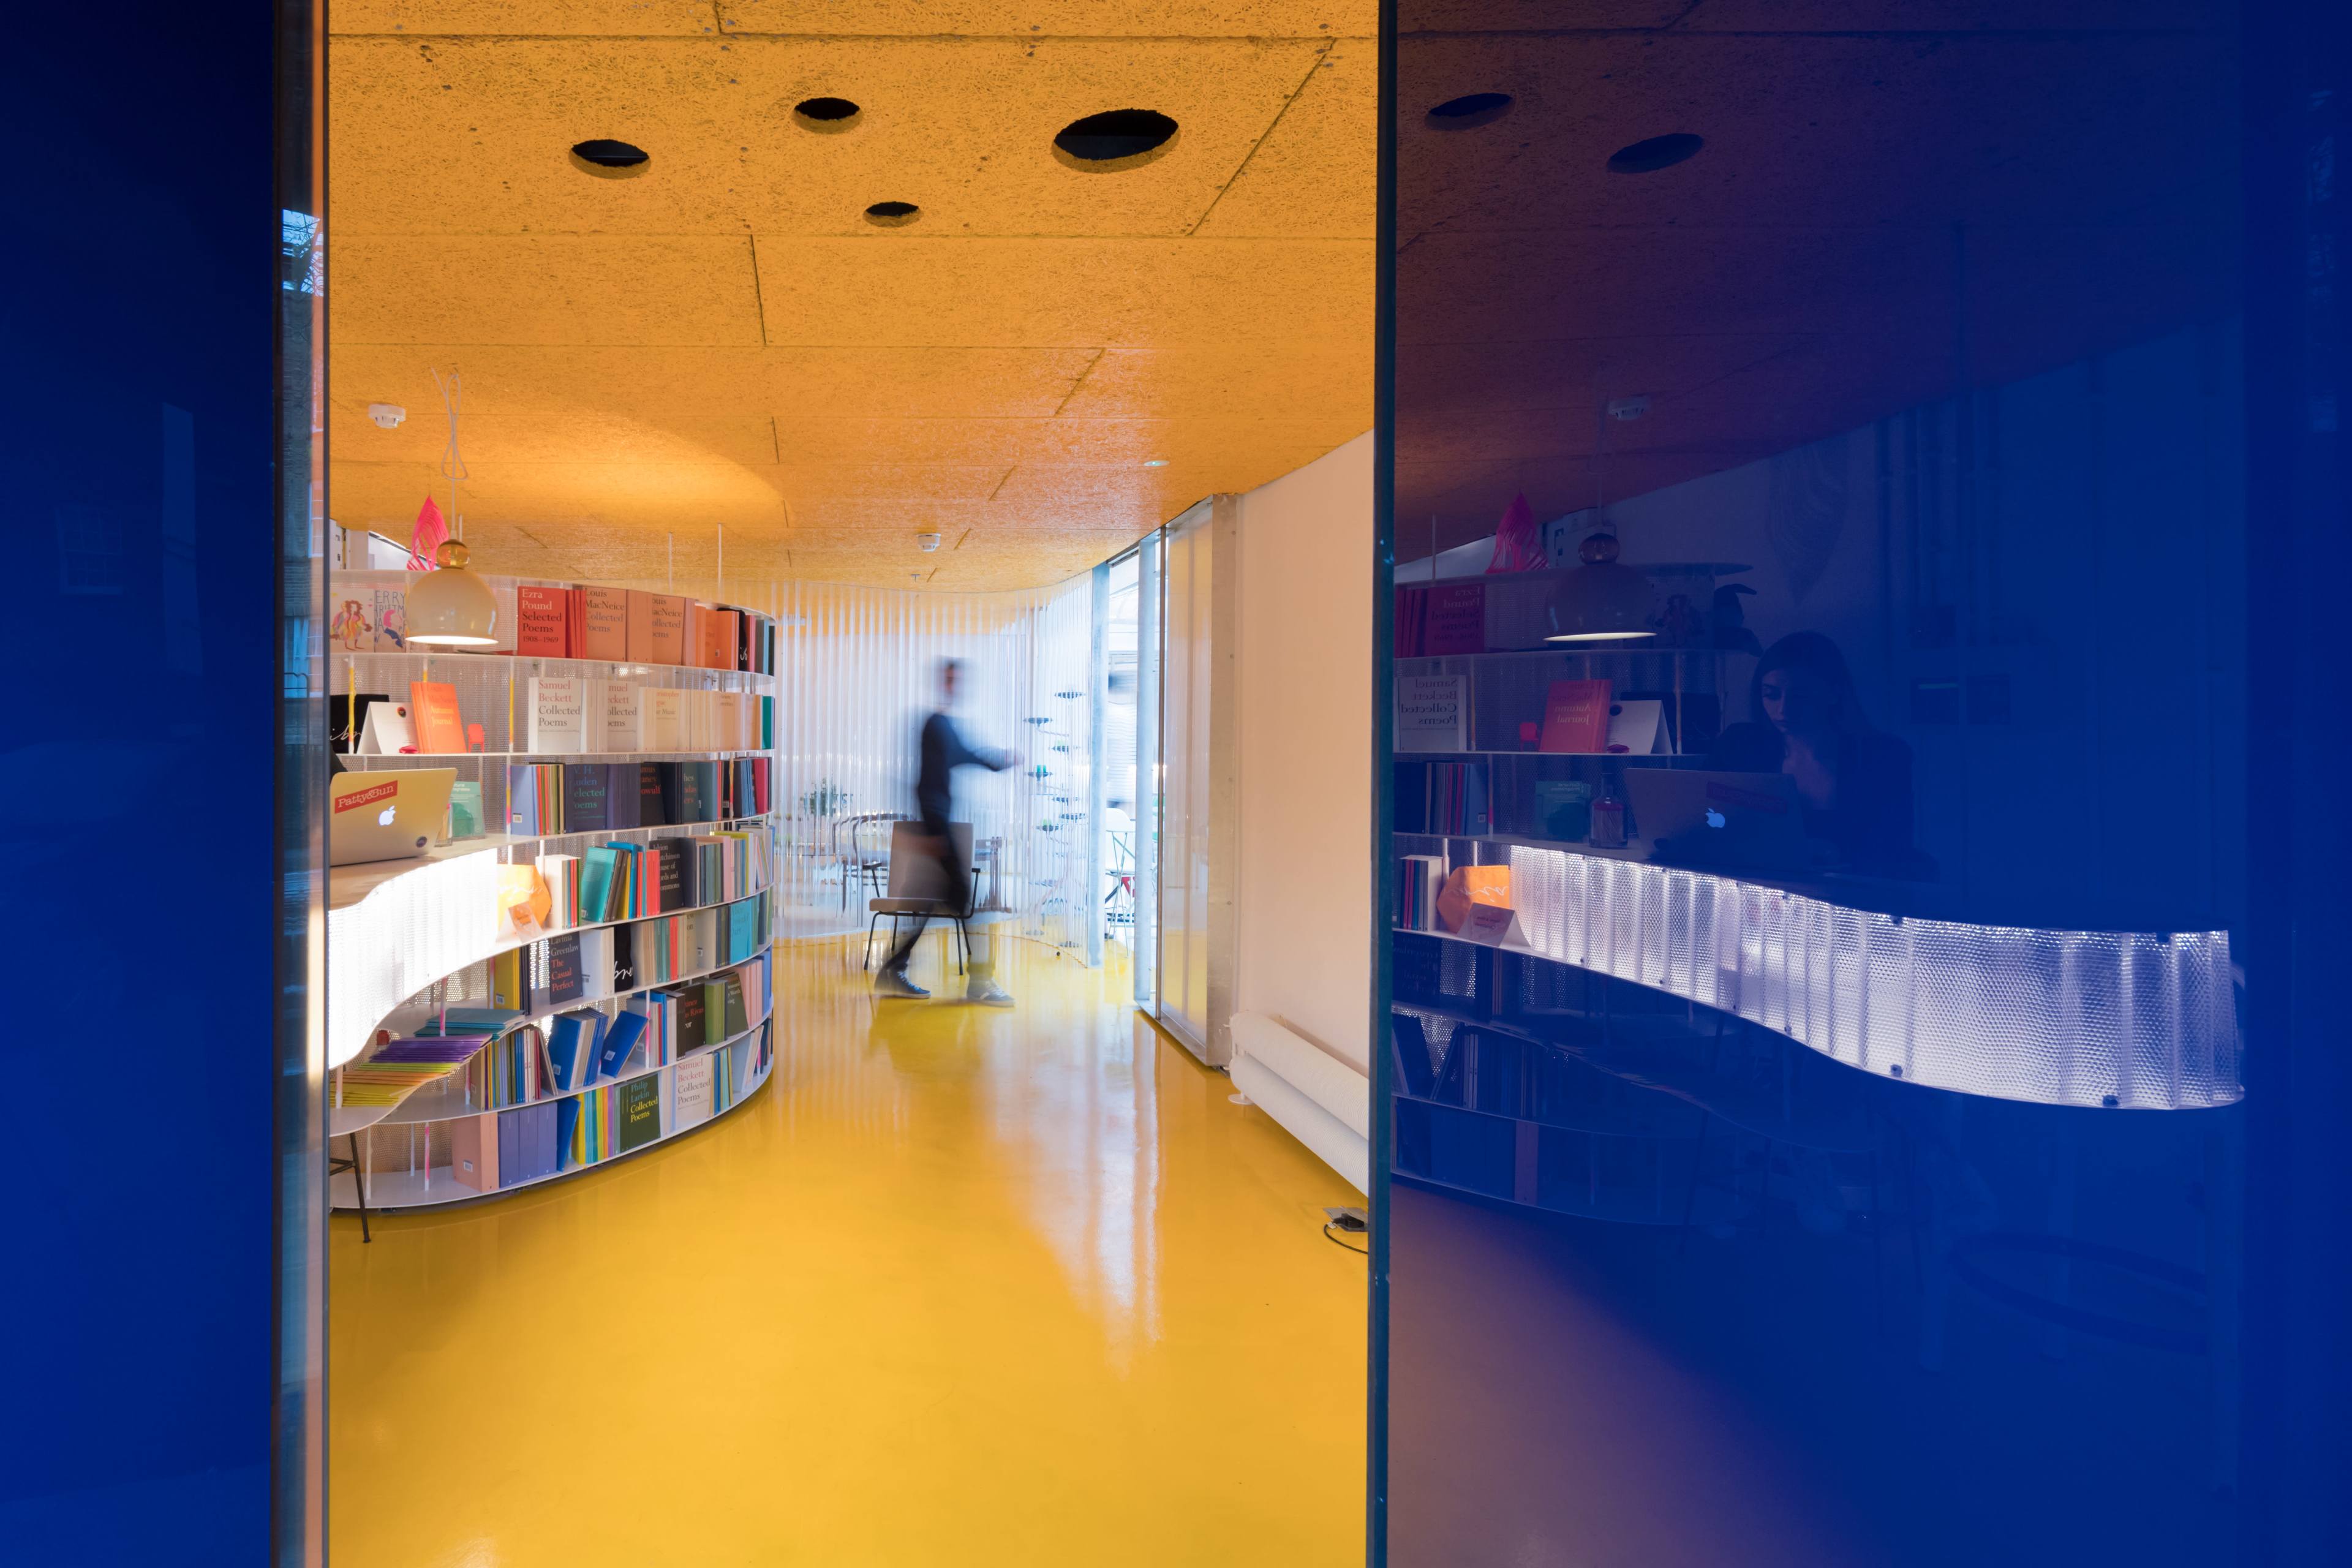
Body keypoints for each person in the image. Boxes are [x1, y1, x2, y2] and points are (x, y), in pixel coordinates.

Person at [1708, 631, 1928, 877]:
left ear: (1834, 694)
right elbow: (1703, 817)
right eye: (1771, 695)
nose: (1783, 709)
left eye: (1800, 697)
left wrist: (1831, 854)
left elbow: (1892, 849)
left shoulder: (1882, 758)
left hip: (1846, 897)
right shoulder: (1741, 746)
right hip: (1757, 888)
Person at [876, 658, 1020, 1003]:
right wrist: (935, 835)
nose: (956, 685)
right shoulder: (935, 725)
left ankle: (895, 970)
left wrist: (998, 762)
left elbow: (966, 755)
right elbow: (926, 785)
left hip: (938, 827)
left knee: (939, 901)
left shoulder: (944, 726)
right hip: (938, 827)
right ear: (943, 682)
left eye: (959, 679)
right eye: (951, 678)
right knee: (970, 904)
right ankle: (979, 984)